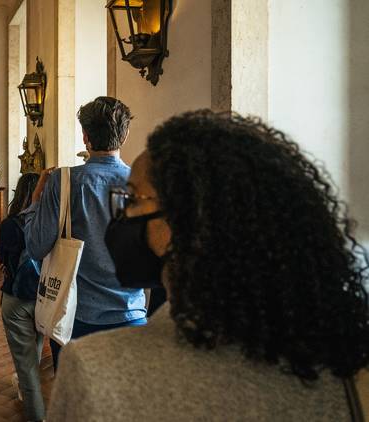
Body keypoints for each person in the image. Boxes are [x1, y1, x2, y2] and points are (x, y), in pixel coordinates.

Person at [48, 110, 369, 420]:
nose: (123, 215)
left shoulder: (92, 367)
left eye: (132, 199)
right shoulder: (341, 364)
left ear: (189, 222)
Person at [24, 96, 147, 369]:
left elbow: (35, 247)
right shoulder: (140, 183)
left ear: (85, 136)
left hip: (76, 318)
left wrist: (34, 206)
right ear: (125, 135)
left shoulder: (64, 181)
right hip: (132, 314)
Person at [0, 173, 44, 422]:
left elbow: (4, 261)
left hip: (16, 298)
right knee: (34, 352)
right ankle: (26, 390)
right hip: (45, 296)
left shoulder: (10, 224)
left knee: (27, 368)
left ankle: (37, 414)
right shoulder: (51, 224)